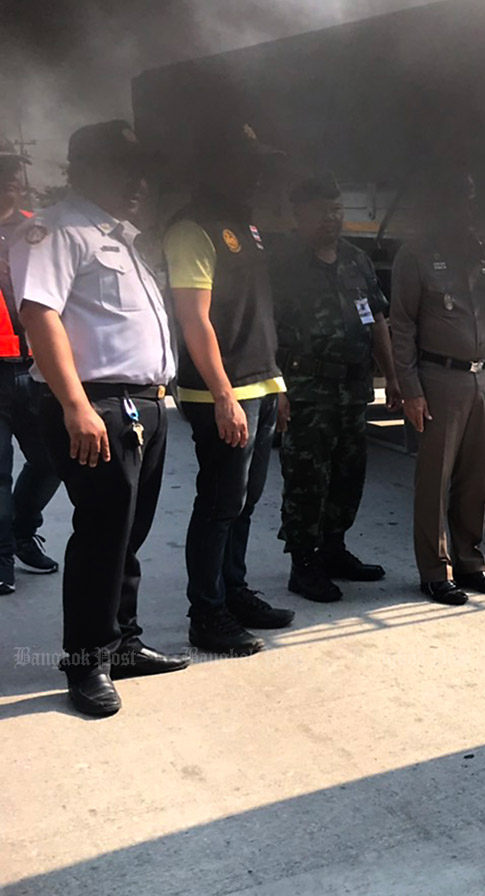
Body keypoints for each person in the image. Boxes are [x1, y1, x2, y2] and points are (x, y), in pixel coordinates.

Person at [9, 121, 187, 716]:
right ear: (85, 170)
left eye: (141, 170)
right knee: (101, 535)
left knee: (128, 533)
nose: (138, 182)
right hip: (98, 405)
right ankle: (86, 664)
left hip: (144, 403)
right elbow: (40, 317)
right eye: (122, 168)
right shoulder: (54, 231)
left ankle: (124, 643)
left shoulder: (121, 236)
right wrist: (75, 405)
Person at [165, 122, 294, 655]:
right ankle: (207, 613)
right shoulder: (191, 229)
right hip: (222, 392)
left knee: (245, 500)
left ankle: (234, 591)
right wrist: (223, 395)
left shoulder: (244, 225)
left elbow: (255, 315)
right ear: (217, 167)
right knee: (220, 503)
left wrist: (276, 383)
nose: (257, 174)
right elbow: (195, 320)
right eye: (246, 163)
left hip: (258, 384)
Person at [389, 170, 485, 605]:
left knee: (475, 481)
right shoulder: (415, 257)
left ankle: (471, 562)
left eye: (469, 201)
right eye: (456, 201)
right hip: (439, 380)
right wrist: (409, 388)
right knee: (435, 480)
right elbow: (403, 327)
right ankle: (434, 570)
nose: (464, 210)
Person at [271, 171, 400, 601]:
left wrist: (393, 377)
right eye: (322, 211)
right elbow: (264, 328)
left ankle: (333, 547)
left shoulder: (356, 260)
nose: (332, 218)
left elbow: (377, 318)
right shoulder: (283, 265)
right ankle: (303, 563)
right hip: (307, 389)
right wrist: (277, 388)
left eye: (337, 210)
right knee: (307, 477)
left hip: (353, 389)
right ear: (299, 215)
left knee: (348, 475)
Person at [0, 154, 61, 594]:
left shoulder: (37, 229)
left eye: (15, 179)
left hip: (37, 366)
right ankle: (1, 558)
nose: (10, 186)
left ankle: (22, 531)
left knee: (53, 459)